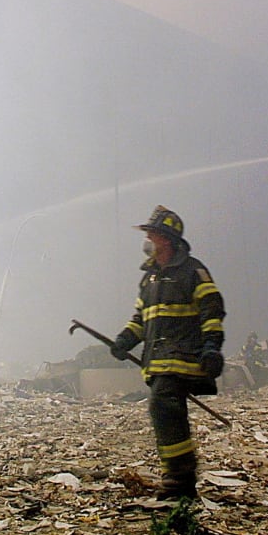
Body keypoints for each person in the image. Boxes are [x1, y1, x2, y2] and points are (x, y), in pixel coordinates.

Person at [110, 205, 225, 500]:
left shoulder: (193, 271)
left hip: (183, 357)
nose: (147, 239)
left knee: (163, 407)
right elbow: (141, 319)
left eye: (152, 234)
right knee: (166, 413)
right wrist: (124, 340)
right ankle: (178, 478)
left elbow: (212, 312)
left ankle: (179, 481)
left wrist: (212, 348)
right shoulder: (149, 278)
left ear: (167, 239)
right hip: (157, 360)